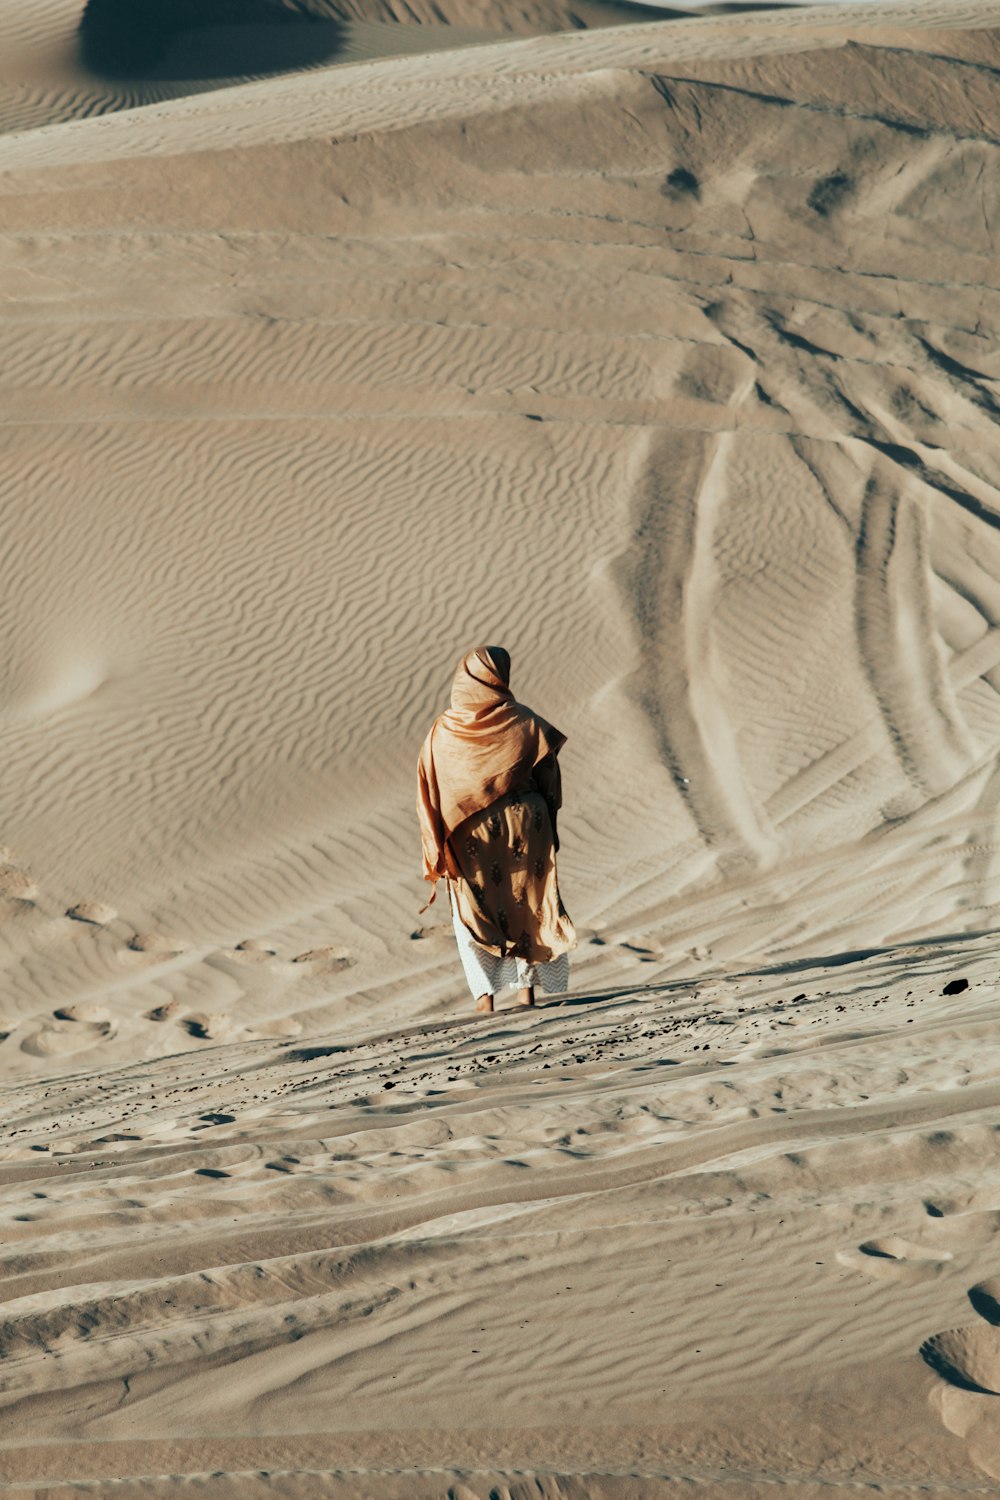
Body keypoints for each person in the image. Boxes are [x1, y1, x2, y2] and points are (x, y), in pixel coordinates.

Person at [417, 646, 576, 1013]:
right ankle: (526, 994)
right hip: (526, 826)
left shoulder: (444, 729)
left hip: (469, 835)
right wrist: (546, 819)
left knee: (473, 914)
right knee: (528, 904)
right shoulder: (523, 720)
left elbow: (430, 788)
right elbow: (549, 775)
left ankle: (485, 1000)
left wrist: (437, 841)